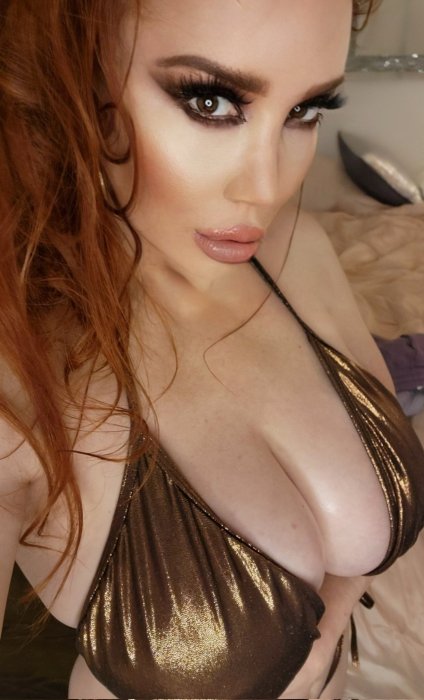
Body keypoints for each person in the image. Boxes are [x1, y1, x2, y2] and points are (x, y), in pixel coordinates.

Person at [1, 1, 423, 698]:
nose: (267, 188)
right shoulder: (21, 377)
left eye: (306, 111)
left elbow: (357, 549)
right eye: (210, 101)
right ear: (75, 76)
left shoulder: (295, 245)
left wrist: (320, 642)